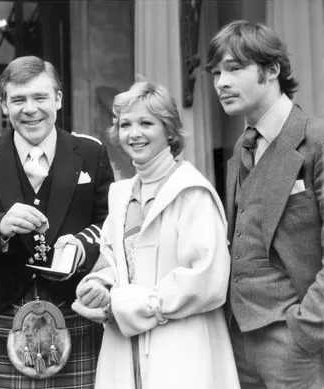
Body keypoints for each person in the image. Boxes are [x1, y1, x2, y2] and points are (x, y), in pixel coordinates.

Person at [0, 55, 114, 389]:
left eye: (40, 97)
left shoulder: (90, 152)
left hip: (75, 310)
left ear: (58, 99)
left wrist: (82, 243)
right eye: (18, 99)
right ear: (4, 105)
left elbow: (110, 223)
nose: (30, 109)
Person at [72, 81, 240, 389]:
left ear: (170, 130)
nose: (133, 133)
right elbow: (113, 260)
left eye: (146, 123)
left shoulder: (192, 193)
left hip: (182, 351)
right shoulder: (120, 195)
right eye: (125, 124)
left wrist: (134, 306)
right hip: (124, 351)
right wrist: (99, 284)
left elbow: (208, 279)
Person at [206, 20, 324, 388]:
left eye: (234, 68)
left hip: (296, 343)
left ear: (272, 70)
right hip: (237, 342)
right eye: (216, 73)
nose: (221, 83)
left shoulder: (316, 140)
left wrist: (307, 329)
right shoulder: (238, 154)